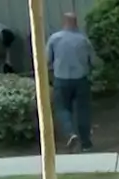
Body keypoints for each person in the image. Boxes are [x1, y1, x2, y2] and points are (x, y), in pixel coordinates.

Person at [48, 13, 96, 153]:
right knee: (83, 111)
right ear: (76, 23)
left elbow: (46, 60)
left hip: (61, 79)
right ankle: (86, 143)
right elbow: (93, 61)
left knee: (62, 108)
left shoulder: (54, 39)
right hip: (81, 79)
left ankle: (70, 133)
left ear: (63, 23)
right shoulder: (83, 40)